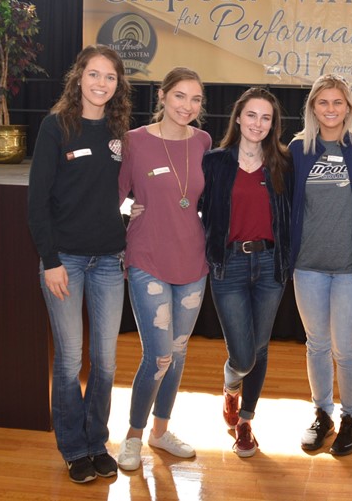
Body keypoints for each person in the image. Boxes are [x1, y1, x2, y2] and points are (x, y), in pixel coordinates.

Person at [27, 45, 132, 484]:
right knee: (70, 361)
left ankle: (96, 442)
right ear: (79, 78)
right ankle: (73, 448)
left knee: (105, 362)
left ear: (117, 85)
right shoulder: (56, 127)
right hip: (64, 261)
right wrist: (50, 261)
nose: (101, 83)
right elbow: (37, 202)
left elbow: (124, 187)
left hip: (110, 260)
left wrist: (134, 209)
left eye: (110, 77)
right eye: (94, 74)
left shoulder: (120, 128)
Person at [116, 67, 212, 471]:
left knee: (177, 351)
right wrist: (126, 211)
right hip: (147, 258)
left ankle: (160, 432)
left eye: (195, 100)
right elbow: (112, 194)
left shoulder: (204, 141)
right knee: (157, 356)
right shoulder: (134, 142)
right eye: (179, 97)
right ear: (161, 96)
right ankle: (133, 437)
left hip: (193, 261)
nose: (187, 107)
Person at [289, 74, 352, 456]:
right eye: (323, 103)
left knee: (345, 348)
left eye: (337, 102)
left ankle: (351, 417)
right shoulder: (298, 149)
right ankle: (323, 412)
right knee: (316, 344)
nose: (330, 109)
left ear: (349, 107)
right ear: (313, 108)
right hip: (308, 265)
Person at [200, 87, 293, 458]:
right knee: (242, 355)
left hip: (271, 265)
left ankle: (245, 422)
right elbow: (193, 207)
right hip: (230, 265)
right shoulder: (215, 162)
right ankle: (231, 387)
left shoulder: (283, 163)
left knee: (259, 347)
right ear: (238, 118)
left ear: (274, 124)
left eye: (266, 117)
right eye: (251, 115)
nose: (258, 123)